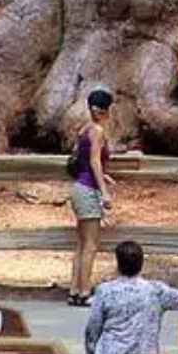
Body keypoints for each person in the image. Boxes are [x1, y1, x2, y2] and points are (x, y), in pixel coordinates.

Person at [69, 88, 118, 306]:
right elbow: (95, 161)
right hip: (88, 190)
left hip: (79, 187)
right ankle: (85, 291)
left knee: (81, 244)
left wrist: (103, 177)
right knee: (90, 244)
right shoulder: (97, 131)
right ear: (107, 110)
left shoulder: (84, 129)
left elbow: (82, 160)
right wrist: (104, 192)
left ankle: (75, 289)